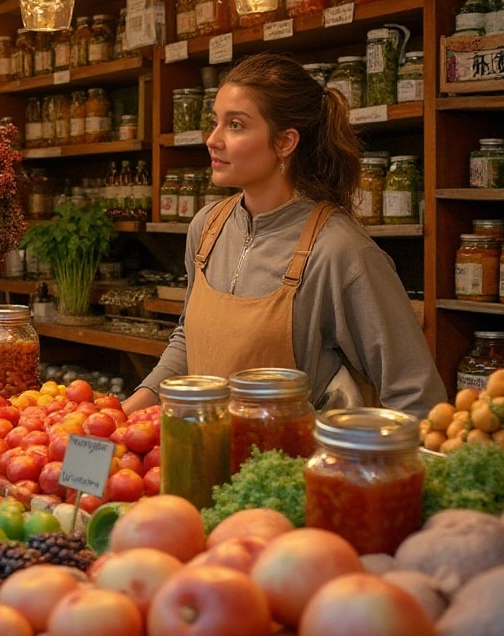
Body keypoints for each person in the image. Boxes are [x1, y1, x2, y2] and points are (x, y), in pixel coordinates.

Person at [123, 53, 444, 418]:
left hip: (289, 467)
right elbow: (189, 341)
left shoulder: (339, 251)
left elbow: (416, 396)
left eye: (236, 125)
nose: (213, 140)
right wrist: (131, 407)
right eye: (215, 123)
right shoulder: (207, 228)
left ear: (285, 142)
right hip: (205, 455)